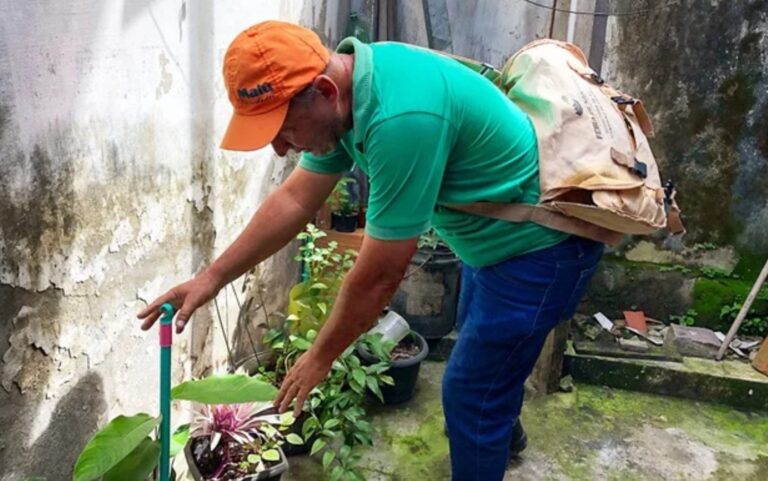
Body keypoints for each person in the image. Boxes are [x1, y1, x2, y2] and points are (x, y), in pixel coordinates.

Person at [137, 20, 604, 481]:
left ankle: (488, 431)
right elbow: (295, 198)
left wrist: (320, 356)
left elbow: (380, 277)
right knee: (489, 370)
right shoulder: (349, 95)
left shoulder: (401, 120)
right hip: (492, 246)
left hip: (540, 253)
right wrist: (212, 277)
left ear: (324, 91)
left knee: (469, 395)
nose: (280, 149)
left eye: (284, 129)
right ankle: (501, 437)